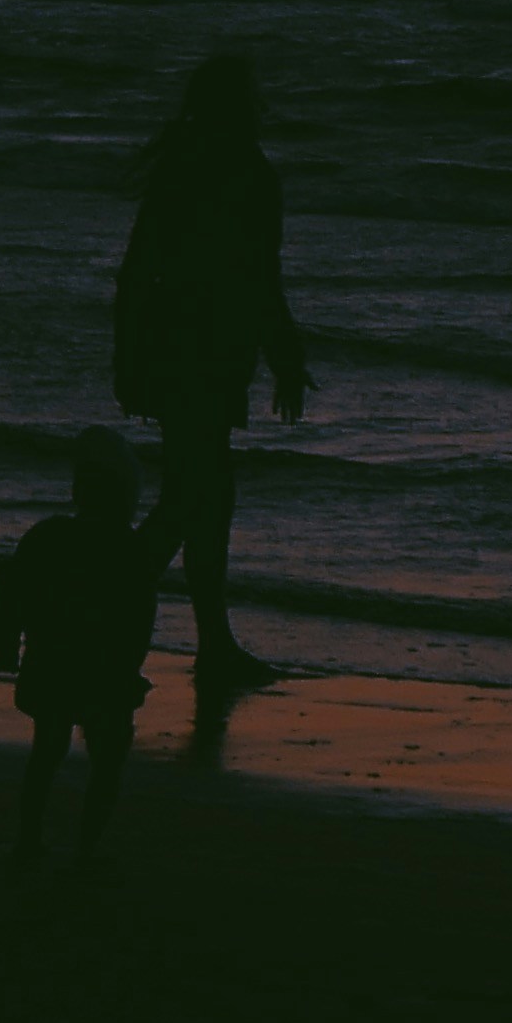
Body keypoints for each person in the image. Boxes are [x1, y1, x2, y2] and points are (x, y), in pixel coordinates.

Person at [112, 49, 309, 695]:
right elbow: (261, 280)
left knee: (201, 497)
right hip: (213, 356)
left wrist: (128, 354)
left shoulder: (181, 168)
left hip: (172, 351)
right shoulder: (250, 175)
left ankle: (208, 642)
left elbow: (138, 269)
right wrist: (285, 358)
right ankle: (109, 608)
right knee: (197, 499)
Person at [0, 428, 156, 865]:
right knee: (107, 757)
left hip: (53, 665)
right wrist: (129, 670)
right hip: (104, 671)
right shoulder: (129, 548)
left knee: (47, 750)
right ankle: (86, 851)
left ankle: (30, 840)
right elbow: (140, 622)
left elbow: (10, 593)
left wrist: (2, 642)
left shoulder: (48, 535)